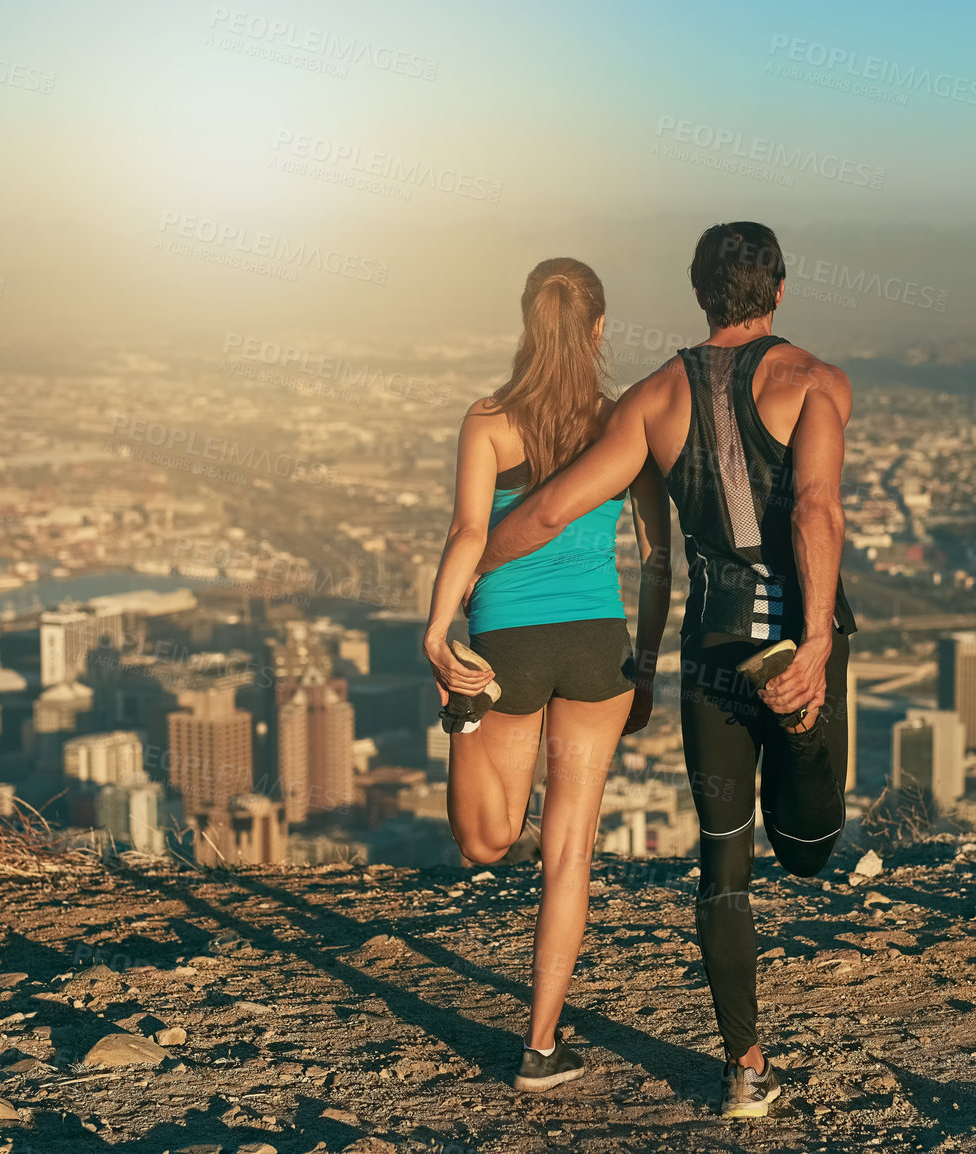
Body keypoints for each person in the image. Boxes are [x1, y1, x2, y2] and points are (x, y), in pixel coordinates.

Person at [476, 223, 856, 1118]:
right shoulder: (817, 385)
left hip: (714, 649)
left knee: (724, 863)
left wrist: (464, 575)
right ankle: (801, 733)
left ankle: (745, 1067)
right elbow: (814, 510)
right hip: (798, 637)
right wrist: (813, 645)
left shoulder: (649, 401)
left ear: (698, 293)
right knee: (808, 850)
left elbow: (551, 508)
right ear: (782, 290)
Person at [422, 257, 671, 1093]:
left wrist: (437, 626)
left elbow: (466, 530)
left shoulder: (488, 421)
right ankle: (540, 1047)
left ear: (527, 327)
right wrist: (648, 655)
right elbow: (655, 552)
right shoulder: (623, 424)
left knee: (485, 844)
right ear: (599, 332)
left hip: (509, 645)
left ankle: (461, 716)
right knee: (569, 853)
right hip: (600, 644)